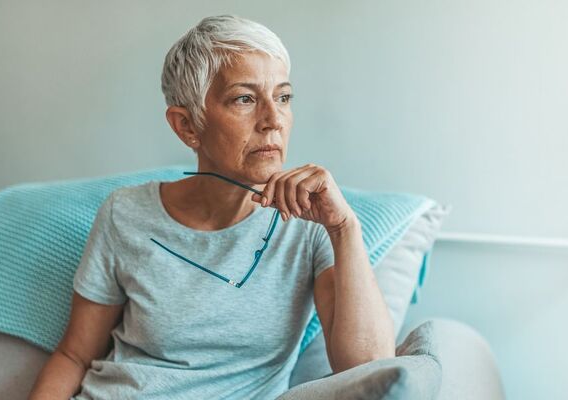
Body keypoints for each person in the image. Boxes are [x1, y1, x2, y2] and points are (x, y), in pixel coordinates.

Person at [28, 14, 394, 399]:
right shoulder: (125, 214)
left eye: (283, 97)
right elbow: (73, 355)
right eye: (245, 99)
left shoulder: (312, 224)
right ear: (187, 126)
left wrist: (344, 228)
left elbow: (369, 371)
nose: (273, 120)